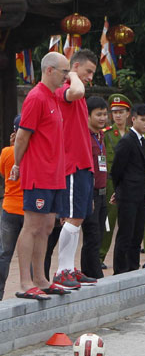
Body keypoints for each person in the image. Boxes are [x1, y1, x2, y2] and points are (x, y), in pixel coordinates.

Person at [11, 52, 71, 300]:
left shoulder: (54, 98)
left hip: (55, 174)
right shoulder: (35, 98)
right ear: (49, 70)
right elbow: (23, 136)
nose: (67, 77)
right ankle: (25, 282)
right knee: (32, 225)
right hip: (38, 172)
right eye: (64, 72)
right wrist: (17, 163)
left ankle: (41, 279)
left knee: (47, 226)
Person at [53, 49, 98, 289]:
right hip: (71, 164)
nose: (90, 77)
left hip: (83, 164)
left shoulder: (78, 95)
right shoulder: (67, 90)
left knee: (78, 218)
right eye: (88, 71)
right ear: (76, 66)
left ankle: (70, 268)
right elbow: (77, 89)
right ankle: (62, 271)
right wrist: (72, 74)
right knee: (71, 218)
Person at [111, 103, 145, 274]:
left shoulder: (143, 141)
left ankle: (133, 268)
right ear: (133, 119)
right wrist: (120, 191)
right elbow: (116, 170)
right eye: (143, 120)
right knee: (125, 235)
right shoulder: (127, 141)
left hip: (140, 195)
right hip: (128, 195)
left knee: (137, 235)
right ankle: (120, 271)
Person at [99, 94, 131, 269]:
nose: (117, 115)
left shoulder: (135, 133)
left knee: (128, 220)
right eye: (114, 112)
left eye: (121, 112)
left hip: (130, 182)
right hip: (111, 181)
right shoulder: (107, 134)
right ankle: (100, 255)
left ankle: (125, 254)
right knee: (108, 221)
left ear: (128, 113)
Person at [80, 97, 109, 279]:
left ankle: (87, 271)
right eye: (98, 114)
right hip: (89, 193)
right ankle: (94, 273)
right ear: (87, 115)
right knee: (91, 234)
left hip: (102, 192)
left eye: (105, 114)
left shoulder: (101, 135)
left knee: (98, 235)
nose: (103, 118)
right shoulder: (84, 137)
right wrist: (88, 196)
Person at [0, 116, 24, 300]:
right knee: (30, 254)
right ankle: (29, 288)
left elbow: (4, 173)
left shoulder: (6, 152)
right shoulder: (34, 152)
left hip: (9, 208)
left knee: (4, 254)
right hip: (30, 212)